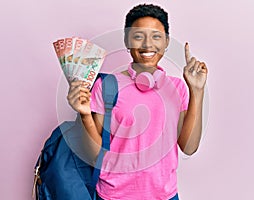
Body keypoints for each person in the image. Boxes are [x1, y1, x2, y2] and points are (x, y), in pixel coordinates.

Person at [67, 4, 208, 200]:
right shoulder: (107, 87)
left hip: (165, 196)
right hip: (113, 196)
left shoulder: (178, 88)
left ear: (166, 42)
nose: (147, 44)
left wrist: (197, 90)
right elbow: (93, 156)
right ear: (127, 40)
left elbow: (189, 147)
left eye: (156, 36)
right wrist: (84, 115)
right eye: (138, 36)